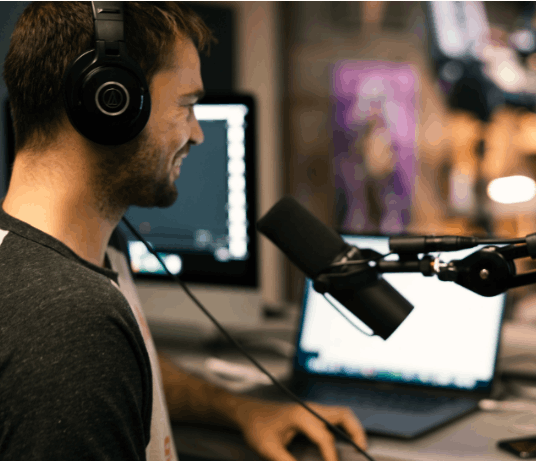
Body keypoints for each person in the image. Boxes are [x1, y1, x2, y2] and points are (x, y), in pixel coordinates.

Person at [0, 2, 368, 461]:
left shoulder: (76, 266)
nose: (197, 134)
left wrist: (241, 409)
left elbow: (132, 374)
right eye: (187, 105)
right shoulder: (70, 320)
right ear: (110, 102)